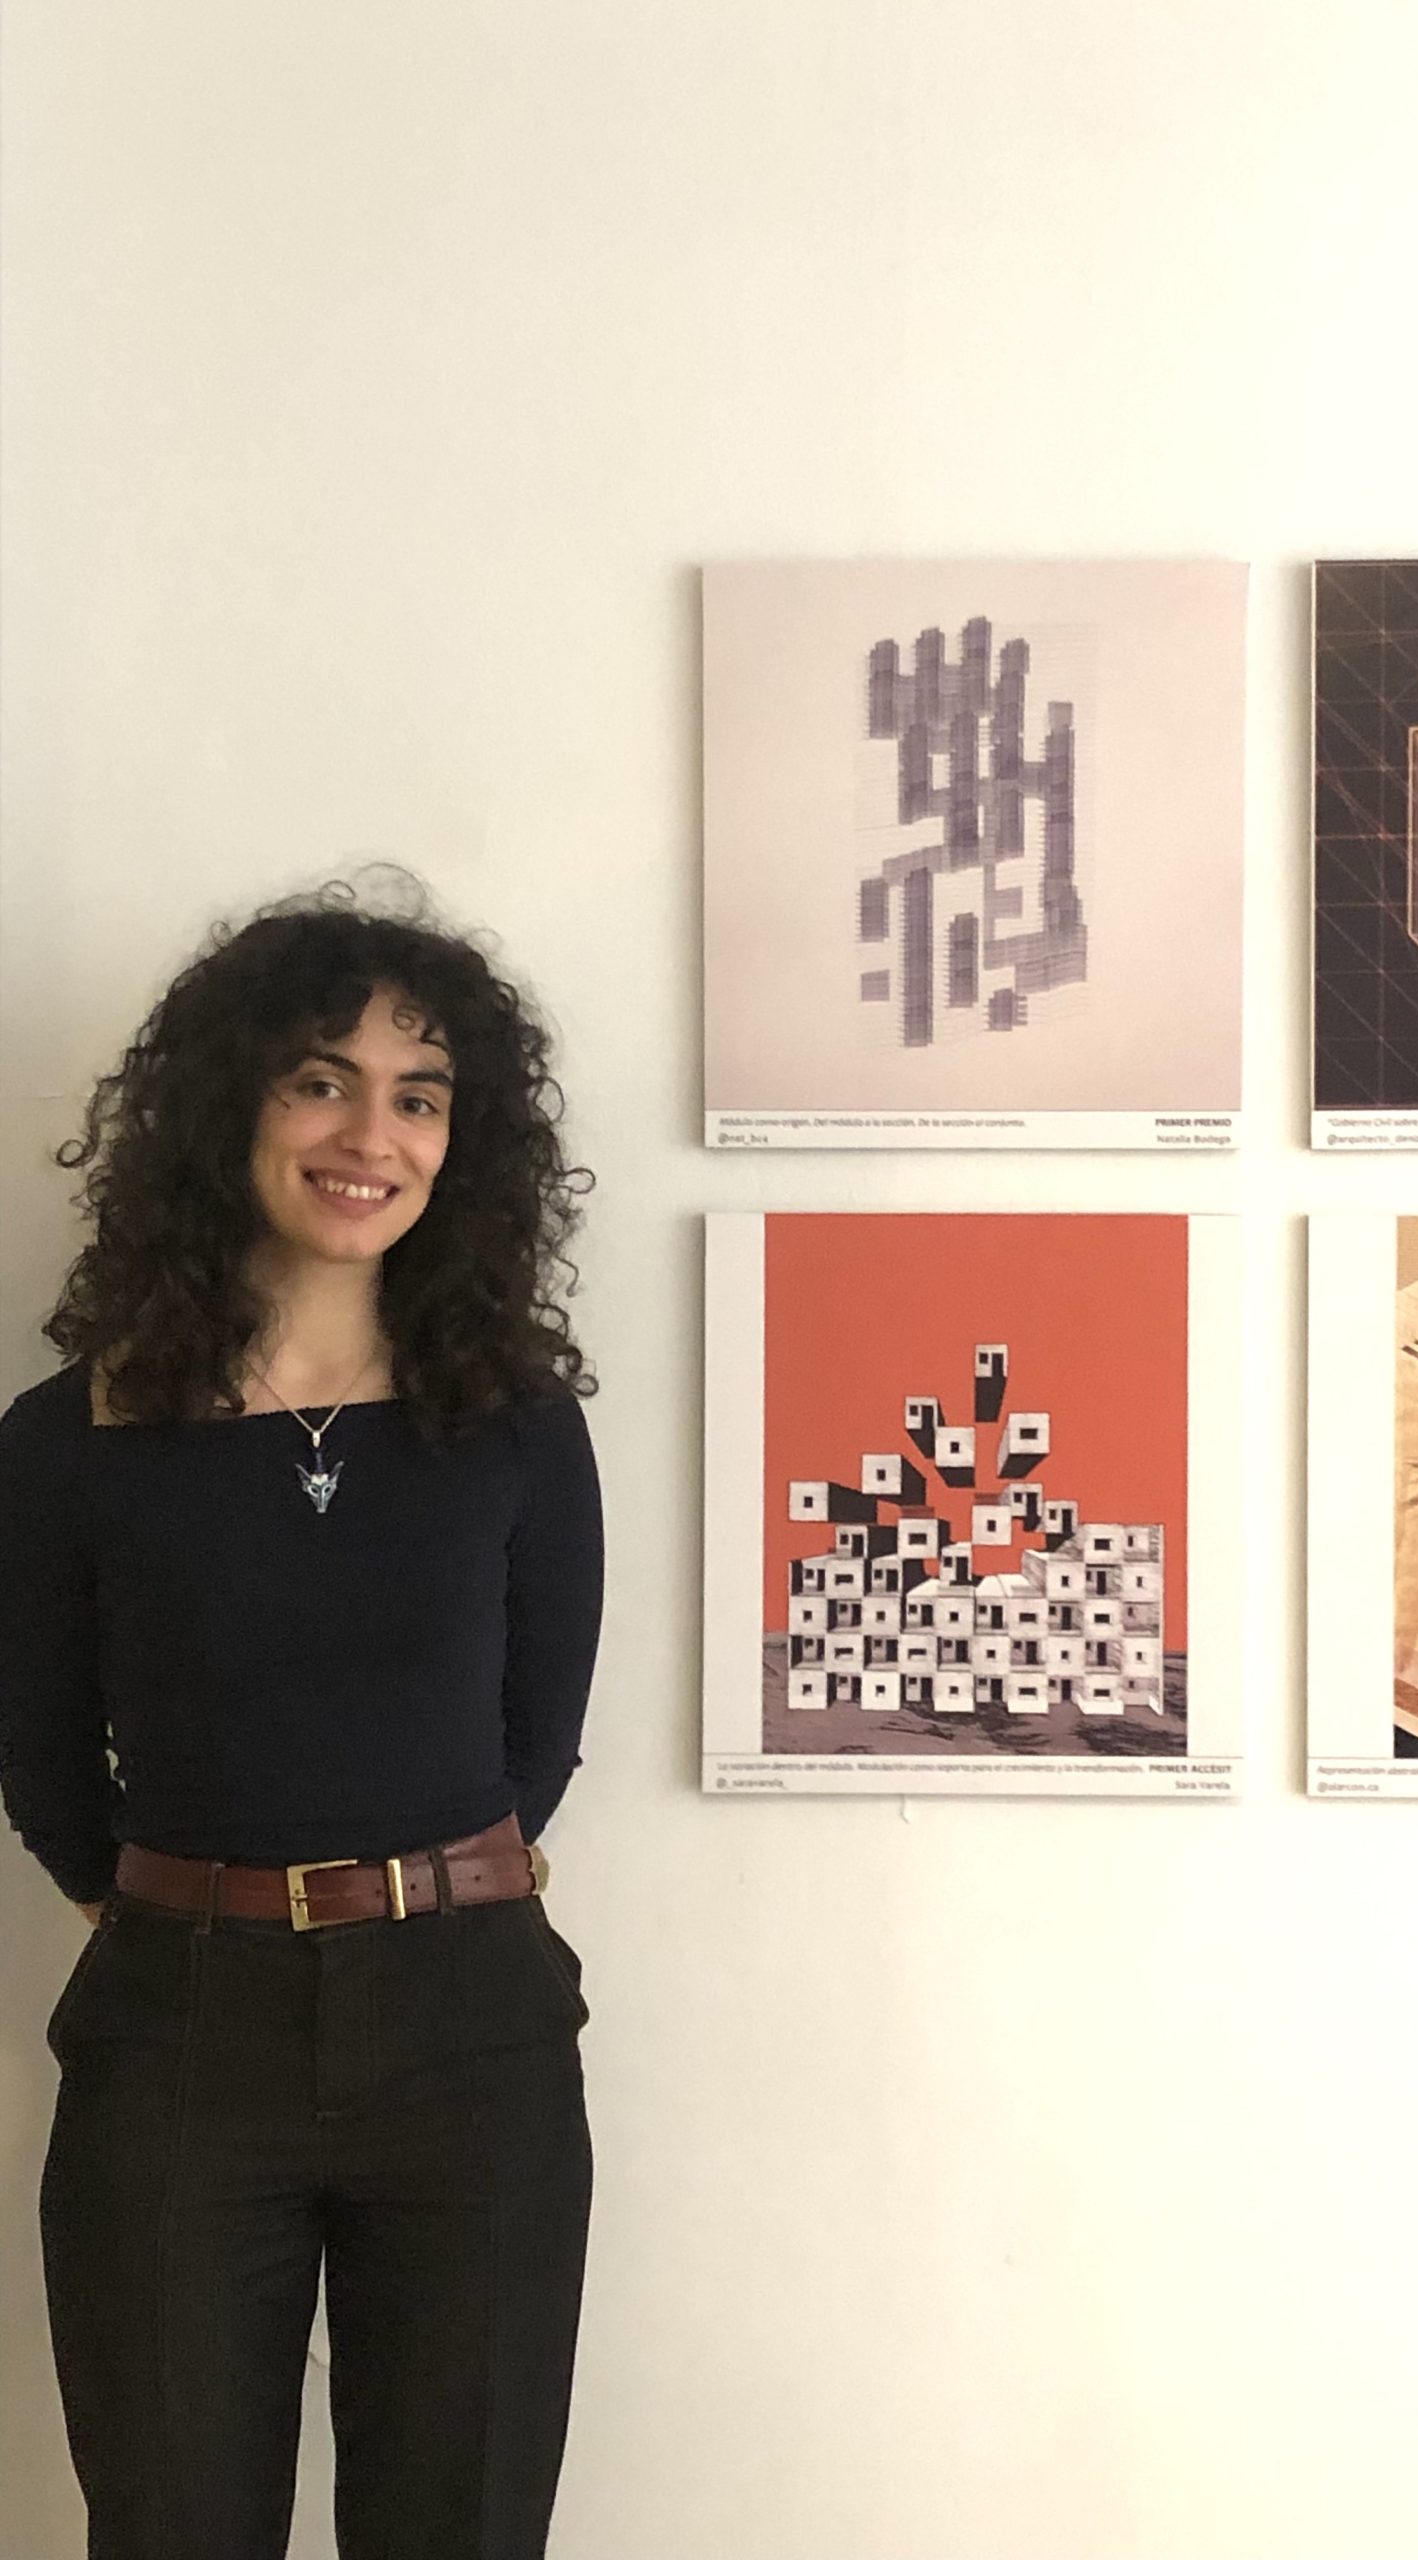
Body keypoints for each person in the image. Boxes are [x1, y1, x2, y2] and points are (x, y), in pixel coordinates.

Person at [0, 879, 604, 2560]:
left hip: (471, 2030)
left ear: (462, 1144)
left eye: (420, 1096)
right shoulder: (68, 1439)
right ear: (231, 1104)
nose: (371, 1136)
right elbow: (42, 1754)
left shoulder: (518, 1427)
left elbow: (533, 1742)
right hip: (180, 2038)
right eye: (320, 1080)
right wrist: (203, 1912)